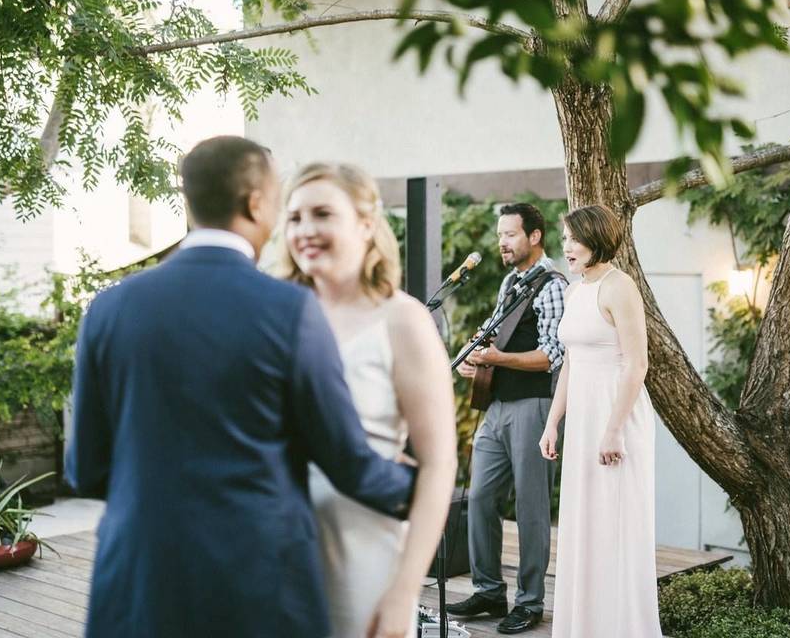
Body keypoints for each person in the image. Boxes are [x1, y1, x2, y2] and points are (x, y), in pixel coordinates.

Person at [65, 137, 417, 638]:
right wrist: (422, 486)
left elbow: (86, 470)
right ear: (255, 202)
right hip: (257, 578)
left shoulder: (109, 307)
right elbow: (347, 463)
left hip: (139, 574)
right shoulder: (289, 310)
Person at [277, 162, 457, 638]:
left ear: (364, 222)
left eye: (321, 214)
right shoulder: (277, 315)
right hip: (272, 553)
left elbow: (439, 465)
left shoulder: (403, 321)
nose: (306, 230)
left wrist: (404, 592)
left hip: (362, 554)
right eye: (294, 218)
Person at [539, 204, 662, 638]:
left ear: (597, 239)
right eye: (565, 238)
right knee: (585, 524)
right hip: (584, 419)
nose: (566, 247)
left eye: (574, 238)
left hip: (617, 417)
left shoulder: (620, 287)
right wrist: (553, 422)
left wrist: (613, 429)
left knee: (616, 524)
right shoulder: (574, 292)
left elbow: (637, 364)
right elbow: (571, 364)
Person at [448, 203, 567, 635]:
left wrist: (498, 358)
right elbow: (491, 329)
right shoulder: (510, 282)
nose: (502, 242)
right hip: (496, 406)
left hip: (533, 405)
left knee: (532, 507)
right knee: (479, 497)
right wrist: (471, 358)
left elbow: (553, 354)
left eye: (511, 234)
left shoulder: (552, 284)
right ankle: (489, 591)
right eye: (500, 234)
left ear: (534, 236)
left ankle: (530, 602)